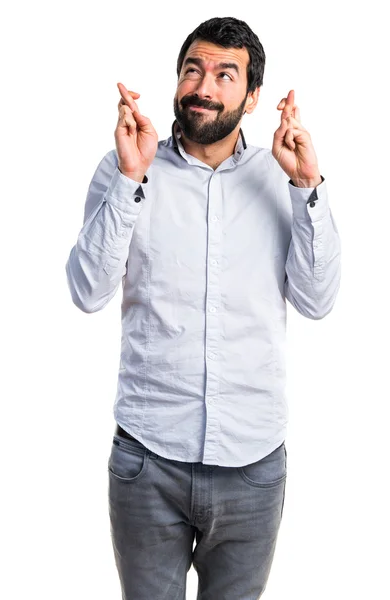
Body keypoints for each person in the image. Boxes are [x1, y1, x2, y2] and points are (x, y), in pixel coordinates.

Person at [65, 16, 341, 600]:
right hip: (148, 462)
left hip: (252, 464)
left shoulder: (279, 176)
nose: (204, 87)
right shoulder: (126, 168)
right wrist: (129, 178)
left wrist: (307, 188)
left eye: (225, 74)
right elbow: (88, 290)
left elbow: (318, 300)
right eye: (193, 69)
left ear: (253, 96)